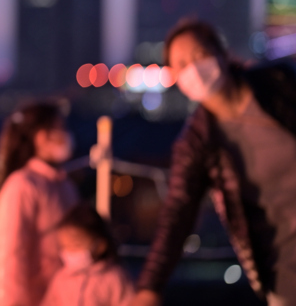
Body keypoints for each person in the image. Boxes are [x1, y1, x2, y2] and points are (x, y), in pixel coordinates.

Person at [131, 18, 296, 306]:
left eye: (200, 55)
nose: (193, 68)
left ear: (222, 53)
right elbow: (177, 213)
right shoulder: (197, 143)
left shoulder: (278, 83)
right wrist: (149, 287)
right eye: (181, 64)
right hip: (285, 269)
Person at [0, 102, 80, 306]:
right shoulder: (22, 186)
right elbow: (9, 257)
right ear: (41, 136)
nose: (66, 135)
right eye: (60, 128)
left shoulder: (65, 185)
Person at [41, 203, 134, 306]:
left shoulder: (114, 278)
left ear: (100, 246)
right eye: (64, 246)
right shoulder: (61, 278)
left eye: (76, 245)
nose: (69, 251)